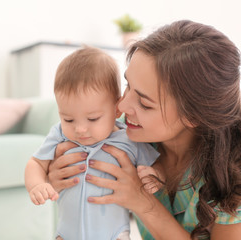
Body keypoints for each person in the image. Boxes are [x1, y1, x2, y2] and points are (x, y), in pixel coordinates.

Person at [47, 20, 241, 239]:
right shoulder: (129, 142)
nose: (120, 106)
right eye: (128, 85)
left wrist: (142, 201)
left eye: (145, 104)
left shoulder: (233, 174)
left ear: (192, 116)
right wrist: (57, 179)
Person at [24, 46, 162, 240]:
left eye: (93, 119)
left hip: (114, 234)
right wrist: (37, 184)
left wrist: (153, 175)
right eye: (68, 119)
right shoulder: (59, 134)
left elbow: (157, 165)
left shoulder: (129, 139)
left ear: (117, 109)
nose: (80, 129)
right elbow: (36, 163)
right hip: (66, 233)